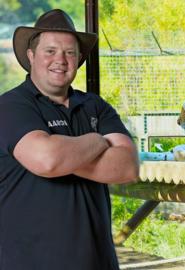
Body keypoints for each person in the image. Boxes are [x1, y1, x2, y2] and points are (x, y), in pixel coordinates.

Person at [0, 9, 139, 270]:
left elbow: (128, 166)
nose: (60, 60)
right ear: (31, 56)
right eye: (50, 51)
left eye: (70, 52)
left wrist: (62, 151)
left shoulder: (95, 106)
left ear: (79, 59)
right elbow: (47, 159)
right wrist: (98, 141)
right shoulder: (11, 106)